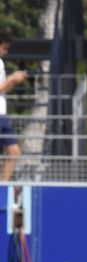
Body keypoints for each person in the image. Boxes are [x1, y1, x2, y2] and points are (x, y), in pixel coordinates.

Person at [0, 28, 26, 181]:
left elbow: (3, 89)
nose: (6, 52)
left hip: (2, 115)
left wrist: (14, 80)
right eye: (4, 48)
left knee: (14, 152)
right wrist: (12, 79)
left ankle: (2, 186)